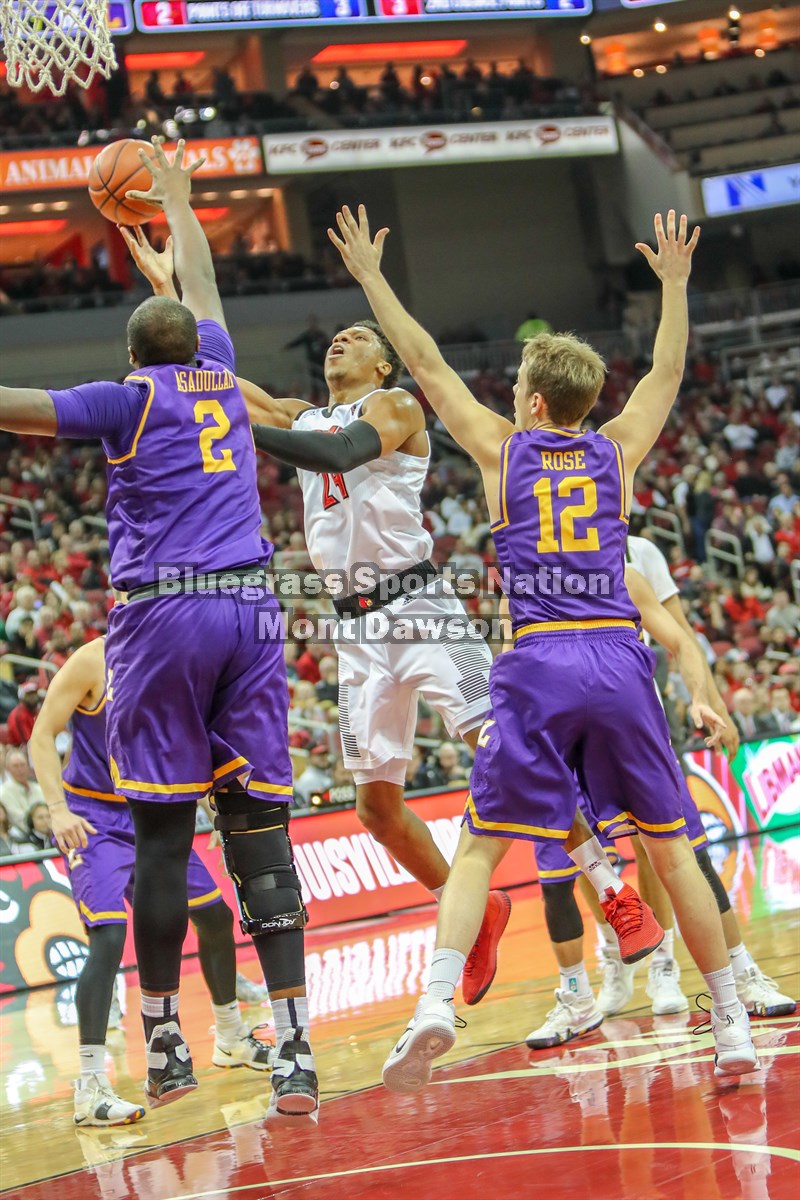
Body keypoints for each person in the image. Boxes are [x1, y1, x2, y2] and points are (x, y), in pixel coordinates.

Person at [123, 198, 660, 1010]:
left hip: (423, 610)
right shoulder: (303, 411)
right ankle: (474, 913)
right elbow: (213, 385)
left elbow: (335, 451)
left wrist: (236, 425)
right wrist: (173, 310)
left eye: (357, 338)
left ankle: (613, 892)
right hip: (355, 630)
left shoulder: (398, 409)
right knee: (375, 808)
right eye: (335, 337)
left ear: (382, 367)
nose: (340, 341)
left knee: (512, 755)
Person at [328, 204, 758, 1090]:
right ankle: (732, 1025)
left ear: (530, 401)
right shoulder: (617, 451)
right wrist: (675, 285)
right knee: (670, 849)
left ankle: (436, 1003)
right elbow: (668, 369)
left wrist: (372, 277)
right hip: (617, 657)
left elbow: (425, 362)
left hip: (540, 660)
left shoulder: (503, 449)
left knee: (481, 847)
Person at [0, 140, 317, 1116]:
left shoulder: (126, 399)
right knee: (260, 833)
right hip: (251, 609)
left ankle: (169, 1041)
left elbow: (17, 407)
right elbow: (206, 291)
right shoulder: (219, 372)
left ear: (135, 355)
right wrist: (179, 202)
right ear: (193, 346)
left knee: (164, 839)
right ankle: (296, 1049)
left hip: (163, 617)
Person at [525, 563, 794, 1049]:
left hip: (632, 726)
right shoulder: (527, 573)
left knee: (684, 855)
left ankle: (712, 971)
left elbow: (681, 636)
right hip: (563, 735)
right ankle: (597, 975)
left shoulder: (629, 563)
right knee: (563, 868)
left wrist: (708, 700)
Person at [29, 636, 275, 1127]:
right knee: (109, 936)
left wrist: (211, 802)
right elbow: (41, 735)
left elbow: (187, 738)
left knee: (215, 916)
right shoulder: (91, 660)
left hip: (153, 813)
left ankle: (230, 1038)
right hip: (92, 818)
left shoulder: (172, 655)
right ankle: (90, 1086)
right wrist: (56, 810)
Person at [0, 747, 46, 831]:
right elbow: (17, 819)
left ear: (28, 766)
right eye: (15, 766)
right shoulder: (4, 792)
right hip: (21, 834)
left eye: (23, 765)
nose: (20, 770)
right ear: (8, 769)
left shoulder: (38, 788)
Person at [6, 681, 43, 747]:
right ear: (22, 698)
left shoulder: (35, 710)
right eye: (28, 695)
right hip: (22, 748)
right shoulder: (19, 715)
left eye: (34, 693)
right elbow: (26, 742)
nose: (33, 697)